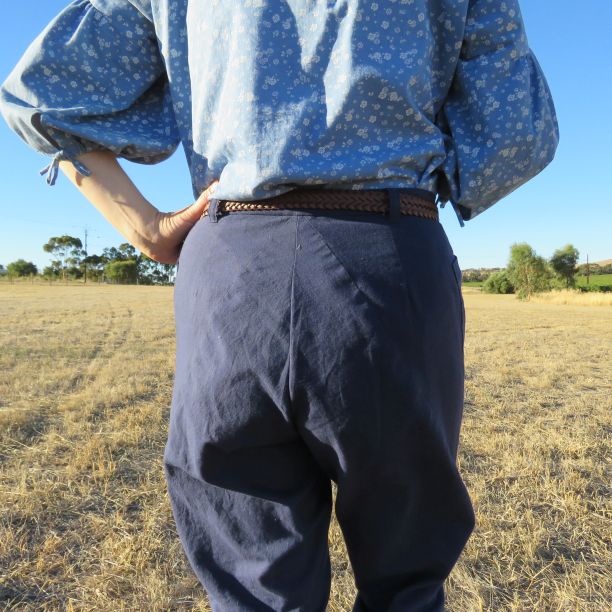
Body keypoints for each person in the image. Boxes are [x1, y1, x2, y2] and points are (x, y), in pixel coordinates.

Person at [0, 0, 559, 610]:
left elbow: (43, 95)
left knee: (254, 583)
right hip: (390, 254)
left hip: (232, 270)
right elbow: (516, 136)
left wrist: (148, 229)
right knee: (407, 577)